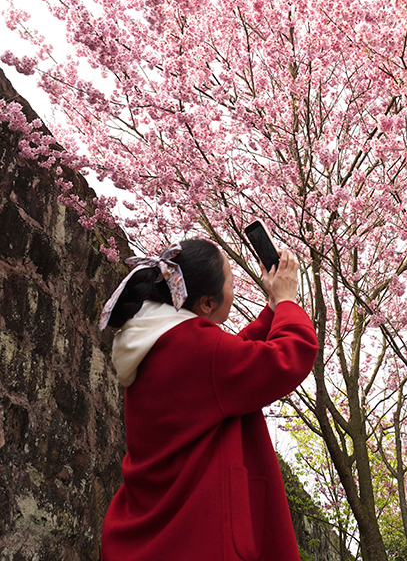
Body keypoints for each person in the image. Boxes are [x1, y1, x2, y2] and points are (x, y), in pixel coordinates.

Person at [97, 238, 318, 561]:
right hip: (198, 538)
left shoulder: (157, 341)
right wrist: (287, 303)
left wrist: (271, 310)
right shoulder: (199, 350)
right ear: (205, 304)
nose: (233, 288)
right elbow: (290, 356)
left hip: (149, 535)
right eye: (230, 281)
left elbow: (225, 370)